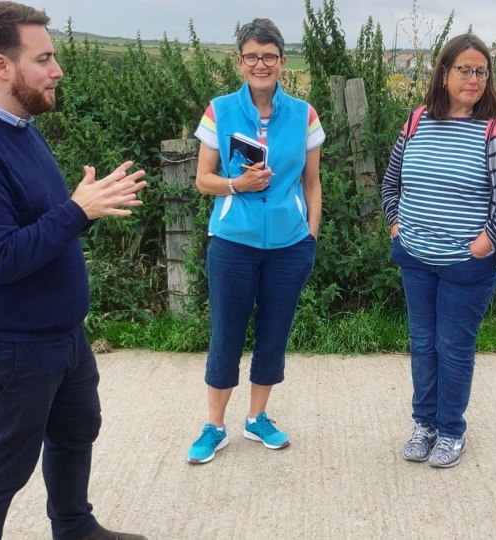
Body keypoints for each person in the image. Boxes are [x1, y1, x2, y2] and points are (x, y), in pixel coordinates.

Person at [0, 3, 149, 540]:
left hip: (60, 334)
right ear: (1, 65)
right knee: (1, 470)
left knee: (75, 431)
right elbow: (2, 259)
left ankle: (74, 528)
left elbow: (43, 223)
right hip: (6, 345)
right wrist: (78, 210)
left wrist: (86, 205)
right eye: (44, 58)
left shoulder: (20, 126)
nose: (57, 69)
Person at [381, 33, 496, 468]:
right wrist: (396, 224)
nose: (473, 78)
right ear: (444, 73)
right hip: (414, 255)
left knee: (453, 346)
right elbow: (392, 183)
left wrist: (484, 244)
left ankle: (450, 431)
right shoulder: (416, 121)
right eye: (464, 70)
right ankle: (424, 424)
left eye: (480, 71)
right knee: (422, 342)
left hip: (467, 264)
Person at [186, 18, 324, 464]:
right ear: (239, 61)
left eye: (269, 56)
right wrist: (236, 185)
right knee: (225, 334)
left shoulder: (304, 114)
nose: (260, 63)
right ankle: (214, 426)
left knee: (273, 335)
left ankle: (257, 418)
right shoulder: (219, 110)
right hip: (232, 242)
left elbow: (312, 183)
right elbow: (202, 180)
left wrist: (310, 239)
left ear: (282, 62)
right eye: (252, 56)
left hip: (289, 245)